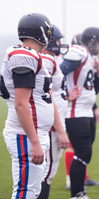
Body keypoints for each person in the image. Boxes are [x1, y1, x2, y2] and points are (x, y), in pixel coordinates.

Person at [1, 13, 69, 198]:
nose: (50, 35)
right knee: (25, 191)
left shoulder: (35, 56)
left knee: (34, 189)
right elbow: (21, 104)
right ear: (39, 32)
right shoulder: (23, 55)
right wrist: (35, 141)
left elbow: (46, 98)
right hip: (25, 134)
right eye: (48, 31)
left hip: (35, 133)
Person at [60, 27, 99, 198]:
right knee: (82, 152)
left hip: (87, 111)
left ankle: (80, 191)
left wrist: (98, 73)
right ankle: (77, 193)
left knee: (85, 153)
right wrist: (65, 95)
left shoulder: (91, 58)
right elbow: (56, 73)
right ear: (91, 41)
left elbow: (94, 89)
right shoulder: (79, 52)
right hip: (75, 112)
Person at [37, 24, 70, 199]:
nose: (59, 43)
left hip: (51, 122)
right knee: (46, 172)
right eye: (57, 40)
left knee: (45, 171)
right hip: (51, 125)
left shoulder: (48, 59)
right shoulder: (47, 60)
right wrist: (61, 130)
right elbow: (48, 95)